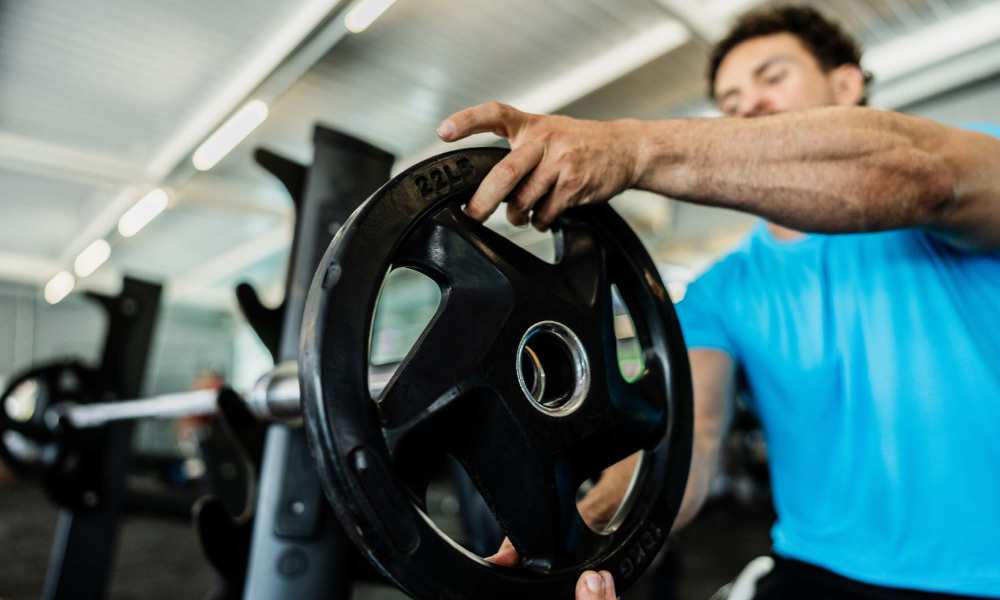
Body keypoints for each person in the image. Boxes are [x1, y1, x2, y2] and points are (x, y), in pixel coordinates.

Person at [435, 5, 1000, 599]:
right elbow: (691, 439)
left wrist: (631, 150)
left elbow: (922, 176)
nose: (747, 104)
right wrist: (587, 530)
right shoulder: (721, 290)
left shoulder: (962, 177)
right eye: (729, 102)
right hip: (817, 570)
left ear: (846, 83)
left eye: (772, 77)